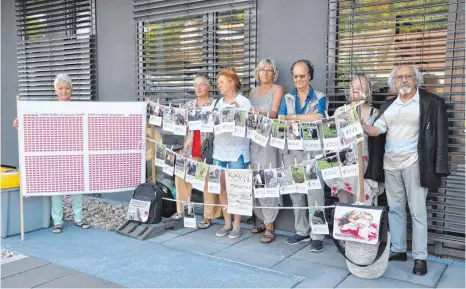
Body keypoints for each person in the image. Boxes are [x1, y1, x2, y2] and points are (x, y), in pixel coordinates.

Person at [363, 65, 449, 276]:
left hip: (415, 164)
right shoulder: (389, 106)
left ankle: (420, 258)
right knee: (395, 209)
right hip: (390, 164)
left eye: (408, 76)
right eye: (399, 77)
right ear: (394, 82)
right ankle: (399, 249)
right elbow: (377, 130)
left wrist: (439, 166)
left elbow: (441, 138)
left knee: (418, 212)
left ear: (416, 80)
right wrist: (364, 126)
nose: (403, 80)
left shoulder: (430, 102)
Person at [13, 73, 90, 234]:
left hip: (75, 154)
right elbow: (37, 125)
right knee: (57, 188)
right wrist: (21, 124)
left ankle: (78, 219)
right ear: (56, 90)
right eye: (60, 88)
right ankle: (57, 221)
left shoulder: (79, 108)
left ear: (72, 90)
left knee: (78, 187)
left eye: (67, 88)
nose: (64, 91)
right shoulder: (49, 109)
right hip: (56, 155)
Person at [278, 60, 328, 252]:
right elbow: (280, 120)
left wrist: (292, 118)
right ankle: (302, 230)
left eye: (302, 76)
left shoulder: (319, 97)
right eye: (295, 76)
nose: (298, 79)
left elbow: (319, 118)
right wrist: (299, 118)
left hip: (313, 150)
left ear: (310, 76)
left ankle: (318, 234)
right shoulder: (287, 98)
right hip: (291, 150)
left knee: (315, 193)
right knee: (296, 193)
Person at [171, 74, 222, 229]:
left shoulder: (216, 106)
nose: (198, 88)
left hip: (207, 149)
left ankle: (208, 216)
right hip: (188, 148)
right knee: (181, 179)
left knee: (209, 183)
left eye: (202, 84)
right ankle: (182, 210)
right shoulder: (187, 105)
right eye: (195, 85)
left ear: (209, 87)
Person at [325, 74, 381, 204]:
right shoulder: (340, 111)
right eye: (353, 85)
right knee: (344, 202)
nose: (356, 88)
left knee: (362, 204)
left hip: (363, 165)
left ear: (368, 91)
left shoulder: (375, 113)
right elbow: (330, 137)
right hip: (341, 164)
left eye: (360, 85)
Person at [212, 69, 252, 239]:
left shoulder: (244, 102)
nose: (218, 85)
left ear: (232, 82)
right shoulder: (217, 103)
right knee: (222, 188)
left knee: (237, 189)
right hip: (219, 151)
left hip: (237, 152)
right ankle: (226, 223)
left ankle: (237, 224)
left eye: (222, 82)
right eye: (218, 82)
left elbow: (249, 126)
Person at [249, 58, 285, 243]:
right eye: (262, 69)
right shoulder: (252, 91)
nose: (265, 73)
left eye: (269, 70)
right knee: (254, 178)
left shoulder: (277, 89)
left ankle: (270, 224)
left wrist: (260, 113)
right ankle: (262, 219)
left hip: (269, 140)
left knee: (267, 178)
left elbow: (275, 112)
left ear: (274, 73)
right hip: (253, 139)